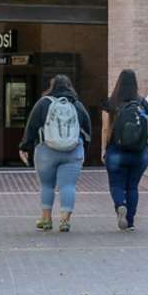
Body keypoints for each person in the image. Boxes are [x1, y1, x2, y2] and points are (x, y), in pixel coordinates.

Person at [19, 75, 91, 232]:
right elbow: (87, 129)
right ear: (70, 86)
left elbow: (31, 126)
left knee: (47, 185)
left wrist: (25, 146)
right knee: (68, 185)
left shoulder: (43, 104)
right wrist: (83, 149)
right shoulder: (77, 105)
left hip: (46, 150)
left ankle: (46, 219)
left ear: (51, 86)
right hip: (73, 151)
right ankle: (65, 221)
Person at [101, 69, 148, 231]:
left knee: (116, 184)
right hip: (139, 151)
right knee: (132, 187)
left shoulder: (111, 103)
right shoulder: (142, 103)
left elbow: (106, 129)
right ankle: (130, 221)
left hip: (116, 150)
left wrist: (103, 149)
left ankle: (120, 205)